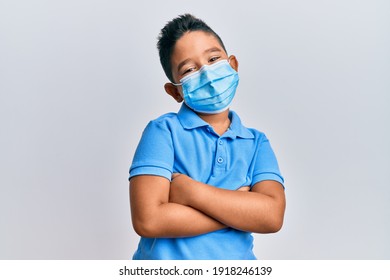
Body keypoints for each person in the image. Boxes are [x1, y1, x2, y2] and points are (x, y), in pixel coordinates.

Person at [128, 14, 286, 260]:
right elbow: (148, 220)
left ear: (232, 65)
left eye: (213, 59)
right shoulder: (163, 132)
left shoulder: (256, 143)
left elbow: (272, 216)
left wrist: (191, 192)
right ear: (174, 91)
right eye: (189, 70)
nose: (208, 74)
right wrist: (238, 211)